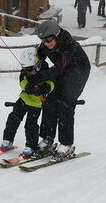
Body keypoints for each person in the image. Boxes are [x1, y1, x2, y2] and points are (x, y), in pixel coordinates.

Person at [34, 20, 91, 158]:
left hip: (78, 70)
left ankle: (66, 144)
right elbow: (39, 54)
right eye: (43, 40)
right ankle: (48, 138)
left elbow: (59, 66)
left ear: (57, 35)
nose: (46, 43)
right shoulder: (47, 44)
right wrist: (35, 66)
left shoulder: (69, 46)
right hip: (62, 70)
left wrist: (41, 77)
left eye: (48, 39)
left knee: (66, 103)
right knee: (50, 101)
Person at [0, 50, 55, 162]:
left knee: (31, 125)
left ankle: (31, 146)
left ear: (37, 65)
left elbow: (51, 83)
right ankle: (8, 140)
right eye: (25, 69)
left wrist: (43, 89)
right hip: (24, 99)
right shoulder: (26, 71)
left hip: (36, 103)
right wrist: (28, 87)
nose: (27, 72)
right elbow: (22, 81)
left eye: (29, 69)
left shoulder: (45, 71)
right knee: (13, 119)